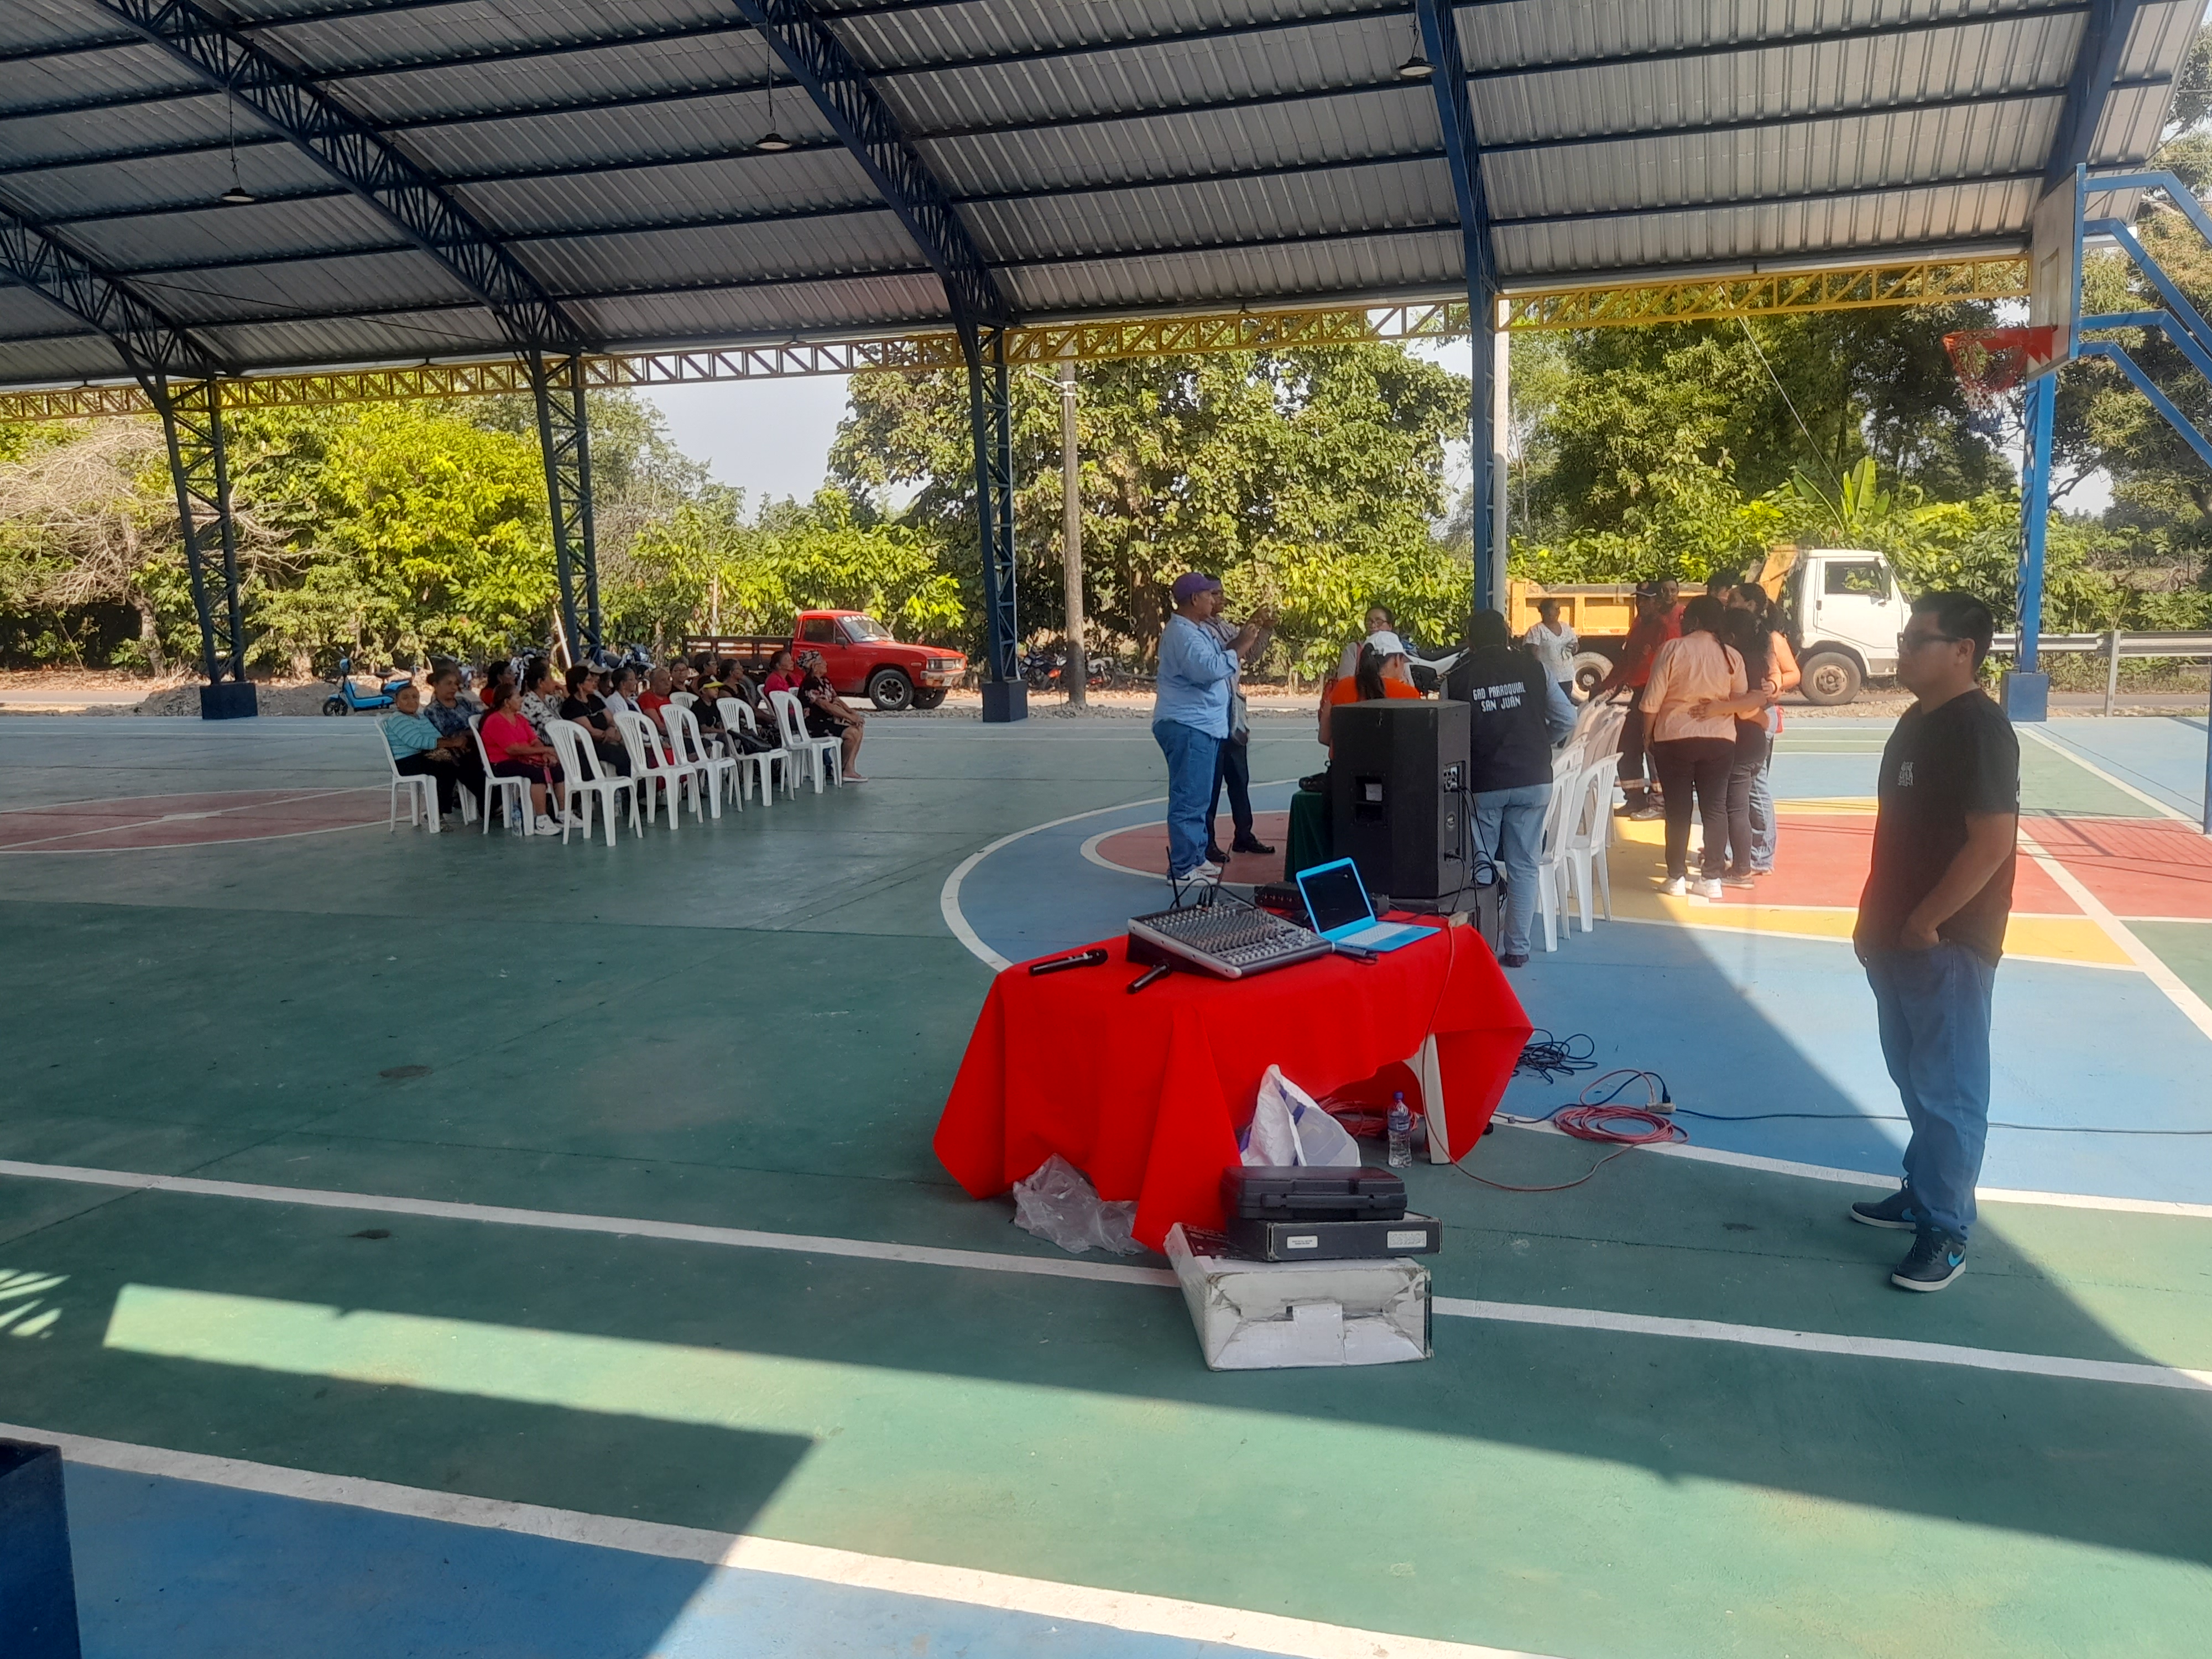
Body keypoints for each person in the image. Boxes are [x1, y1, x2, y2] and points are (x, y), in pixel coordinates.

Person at [1849, 592, 2017, 1293]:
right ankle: (1922, 1191)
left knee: (1949, 1090)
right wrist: (1876, 920)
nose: (1905, 649)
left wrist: (1927, 921)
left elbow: (1992, 842)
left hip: (1945, 942)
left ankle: (1946, 1231)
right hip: (1894, 934)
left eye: (1920, 639)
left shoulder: (1978, 729)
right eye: (1905, 637)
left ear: (1962, 651)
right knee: (1914, 1077)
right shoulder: (1915, 720)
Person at [1448, 611, 1575, 967]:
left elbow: (1448, 736)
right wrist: (1541, 741)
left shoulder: (1456, 679)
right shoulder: (1535, 669)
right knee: (1525, 865)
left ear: (1470, 641)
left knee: (1481, 865)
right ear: (1507, 635)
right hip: (1533, 778)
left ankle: (1482, 948)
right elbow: (1568, 718)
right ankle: (1518, 948)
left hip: (1484, 783)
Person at [1640, 594, 1746, 899]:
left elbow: (1652, 701)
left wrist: (1648, 735)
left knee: (1677, 809)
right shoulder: (1731, 656)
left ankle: (1676, 877)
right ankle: (1712, 878)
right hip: (1720, 740)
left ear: (1695, 620)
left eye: (1685, 618)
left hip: (1674, 738)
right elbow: (1740, 700)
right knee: (1715, 808)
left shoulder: (1672, 649)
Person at [1152, 571, 1256, 883]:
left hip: (1201, 725)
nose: (1215, 600)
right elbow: (1207, 670)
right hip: (1188, 724)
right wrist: (1241, 647)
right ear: (1194, 599)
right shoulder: (1183, 635)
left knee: (1199, 797)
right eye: (1210, 595)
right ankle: (1183, 866)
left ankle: (1196, 856)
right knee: (1189, 797)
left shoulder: (1195, 631)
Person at [1699, 589, 1801, 880]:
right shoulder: (1740, 645)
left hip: (1755, 717)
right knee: (1739, 795)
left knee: (1752, 789)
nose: (1728, 604)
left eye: (1734, 600)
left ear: (1752, 605)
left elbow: (1790, 673)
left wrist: (1774, 685)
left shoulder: (1768, 638)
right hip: (1747, 718)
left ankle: (1759, 854)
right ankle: (1736, 852)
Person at [1593, 578, 1682, 817]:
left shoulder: (1666, 629)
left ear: (1657, 602)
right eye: (1639, 600)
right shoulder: (1639, 625)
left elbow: (1671, 667)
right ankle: (1634, 799)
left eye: (1647, 600)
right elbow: (1627, 661)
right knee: (1627, 745)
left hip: (1658, 695)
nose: (1641, 604)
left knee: (1653, 748)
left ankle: (1659, 803)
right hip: (1639, 694)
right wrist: (1605, 687)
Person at [1204, 602, 1275, 864]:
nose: (1220, 600)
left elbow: (1250, 653)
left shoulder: (1223, 626)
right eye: (1214, 594)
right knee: (1211, 783)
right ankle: (1207, 841)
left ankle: (1244, 834)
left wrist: (1263, 629)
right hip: (1211, 712)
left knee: (1239, 777)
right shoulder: (1198, 630)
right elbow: (1223, 656)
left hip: (1232, 709)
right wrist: (1249, 627)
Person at [480, 680, 566, 834]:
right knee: (536, 773)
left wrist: (545, 753)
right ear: (507, 702)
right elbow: (513, 749)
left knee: (557, 768)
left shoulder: (519, 718)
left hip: (524, 758)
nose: (522, 700)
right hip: (502, 763)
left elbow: (534, 740)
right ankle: (541, 820)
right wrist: (546, 749)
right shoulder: (495, 720)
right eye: (518, 697)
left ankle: (564, 815)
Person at [1319, 632, 1422, 753]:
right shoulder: (1409, 695)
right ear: (1397, 661)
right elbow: (1417, 744)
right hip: (1392, 766)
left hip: (1344, 765)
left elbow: (1324, 737)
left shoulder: (1342, 687)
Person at [381, 681, 465, 819]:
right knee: (445, 767)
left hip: (421, 756)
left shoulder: (421, 717)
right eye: (405, 698)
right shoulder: (398, 719)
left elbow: (435, 735)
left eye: (415, 697)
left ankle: (445, 807)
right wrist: (451, 743)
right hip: (406, 762)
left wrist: (450, 743)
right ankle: (437, 812)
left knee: (457, 762)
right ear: (397, 702)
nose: (411, 701)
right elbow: (417, 742)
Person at [419, 666, 489, 804]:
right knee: (469, 763)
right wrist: (469, 733)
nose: (453, 688)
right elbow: (445, 734)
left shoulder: (464, 702)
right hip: (459, 749)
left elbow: (481, 720)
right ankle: (491, 802)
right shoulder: (433, 710)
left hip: (478, 742)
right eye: (448, 684)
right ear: (436, 685)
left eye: (456, 684)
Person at [797, 650, 868, 780]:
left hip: (829, 721)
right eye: (822, 661)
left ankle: (848, 768)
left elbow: (837, 700)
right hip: (816, 724)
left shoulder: (825, 681)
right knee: (852, 733)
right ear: (815, 666)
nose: (826, 664)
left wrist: (852, 713)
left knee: (858, 728)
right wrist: (849, 717)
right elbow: (827, 706)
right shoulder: (810, 684)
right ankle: (843, 769)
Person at [560, 664, 630, 775]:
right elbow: (591, 731)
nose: (594, 682)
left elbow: (611, 719)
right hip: (590, 745)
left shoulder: (594, 699)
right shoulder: (572, 706)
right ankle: (627, 784)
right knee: (622, 755)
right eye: (589, 680)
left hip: (609, 738)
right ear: (580, 685)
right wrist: (611, 737)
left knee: (635, 749)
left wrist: (612, 729)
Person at [1524, 598, 1579, 700]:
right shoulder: (1536, 630)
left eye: (1559, 609)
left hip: (1566, 677)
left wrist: (1574, 648)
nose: (1558, 612)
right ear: (1544, 611)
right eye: (1555, 609)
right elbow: (1532, 653)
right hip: (1547, 679)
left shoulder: (1566, 627)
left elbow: (1575, 644)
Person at [1334, 605, 1395, 680]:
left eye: (1379, 622)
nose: (1373, 625)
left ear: (1390, 626)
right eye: (1369, 621)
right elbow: (1344, 681)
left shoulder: (1398, 650)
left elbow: (1408, 680)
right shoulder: (1354, 649)